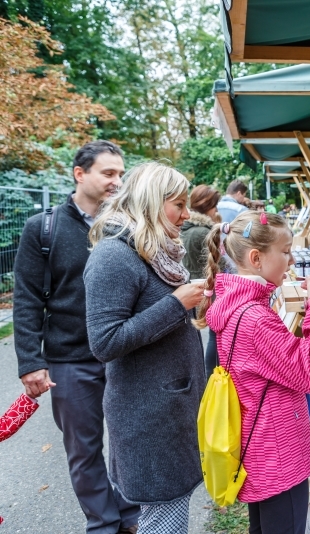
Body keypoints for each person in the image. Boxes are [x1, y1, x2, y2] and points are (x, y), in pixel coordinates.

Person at [12, 140, 140, 534]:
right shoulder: (43, 228)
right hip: (71, 358)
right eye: (108, 173)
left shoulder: (126, 225)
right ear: (80, 174)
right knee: (84, 451)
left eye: (121, 173)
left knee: (129, 444)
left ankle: (132, 516)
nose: (117, 181)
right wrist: (31, 361)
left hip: (123, 354)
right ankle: (103, 524)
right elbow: (27, 298)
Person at [84, 162, 205, 534]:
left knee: (168, 512)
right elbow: (104, 342)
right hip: (148, 417)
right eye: (178, 205)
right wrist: (176, 305)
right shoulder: (113, 256)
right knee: (163, 520)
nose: (186, 215)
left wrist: (194, 303)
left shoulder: (155, 251)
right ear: (152, 202)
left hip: (168, 408)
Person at [195, 211, 310, 534]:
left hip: (258, 452)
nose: (291, 259)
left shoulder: (233, 303)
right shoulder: (256, 319)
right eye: (285, 252)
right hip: (278, 457)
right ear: (256, 258)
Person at [181, 185, 222, 379]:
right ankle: (211, 378)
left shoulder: (187, 228)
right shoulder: (202, 232)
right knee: (214, 337)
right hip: (208, 289)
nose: (217, 210)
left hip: (194, 287)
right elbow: (221, 263)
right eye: (215, 206)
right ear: (208, 206)